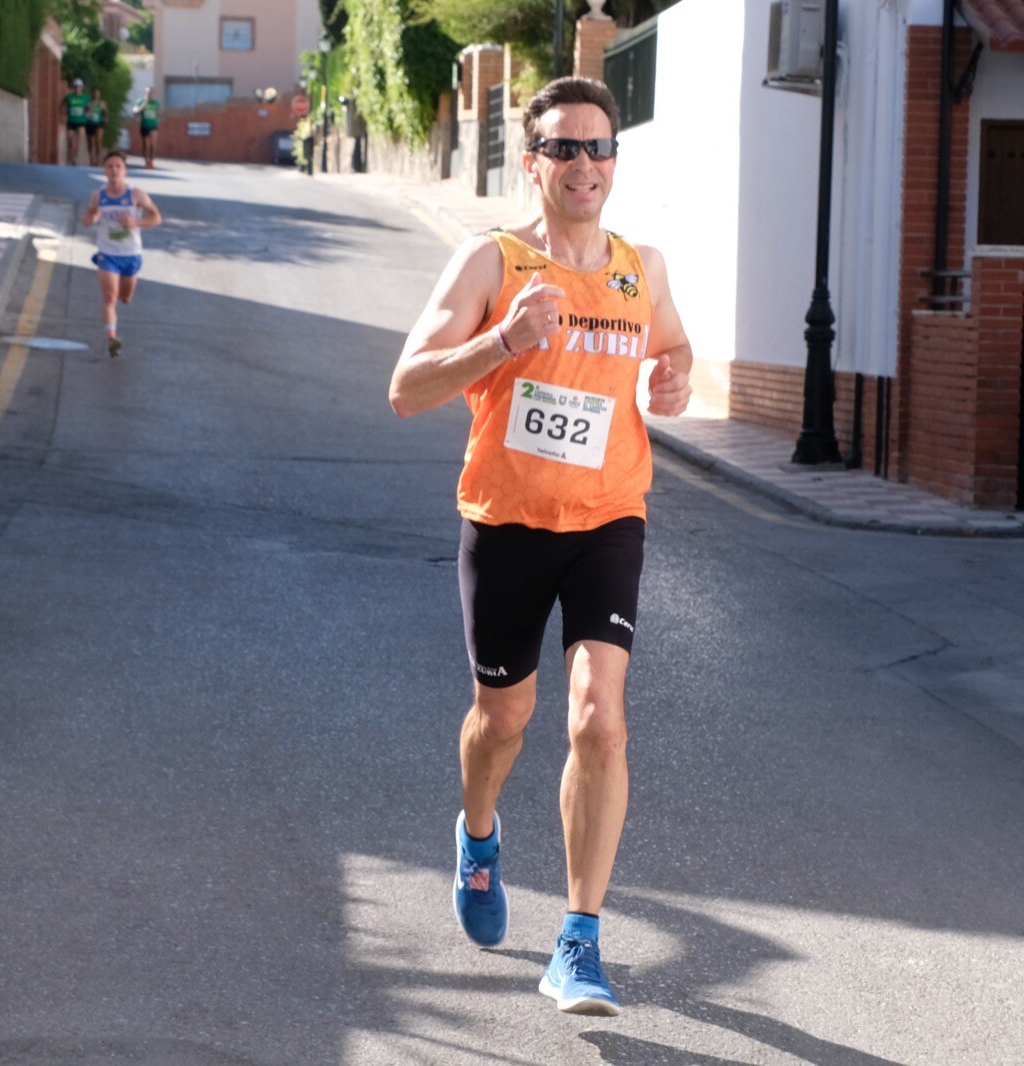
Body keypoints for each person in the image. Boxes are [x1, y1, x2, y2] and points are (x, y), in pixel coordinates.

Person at [387, 77, 693, 1017]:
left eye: (600, 148)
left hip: (608, 519)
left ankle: (579, 939)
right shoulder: (494, 262)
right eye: (564, 148)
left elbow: (673, 350)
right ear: (532, 162)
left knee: (600, 718)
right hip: (508, 524)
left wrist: (676, 376)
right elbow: (406, 386)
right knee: (504, 719)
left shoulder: (642, 267)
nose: (585, 164)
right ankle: (478, 837)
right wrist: (501, 345)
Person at [81, 149, 162, 357]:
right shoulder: (98, 195)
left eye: (118, 166)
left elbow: (156, 218)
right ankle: (112, 339)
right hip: (107, 253)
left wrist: (135, 222)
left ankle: (124, 299)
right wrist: (91, 218)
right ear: (105, 171)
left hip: (131, 254)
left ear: (125, 171)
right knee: (110, 297)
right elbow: (93, 211)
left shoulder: (136, 195)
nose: (114, 170)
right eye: (110, 166)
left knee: (125, 297)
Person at [63, 78, 90, 165]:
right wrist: (62, 116)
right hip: (71, 122)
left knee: (78, 141)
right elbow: (61, 106)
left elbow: (89, 108)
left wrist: (88, 113)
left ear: (82, 88)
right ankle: (70, 158)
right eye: (75, 87)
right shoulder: (69, 97)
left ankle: (74, 158)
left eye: (79, 87)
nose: (77, 89)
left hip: (81, 122)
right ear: (73, 88)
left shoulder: (86, 98)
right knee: (70, 141)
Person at [134, 86, 160, 168]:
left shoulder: (155, 103)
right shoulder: (140, 101)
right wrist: (144, 104)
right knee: (146, 145)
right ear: (145, 93)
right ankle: (146, 161)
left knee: (152, 144)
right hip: (144, 125)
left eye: (151, 93)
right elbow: (135, 111)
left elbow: (159, 114)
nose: (149, 94)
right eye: (148, 93)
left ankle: (151, 161)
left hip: (153, 126)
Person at [86, 88, 107, 161]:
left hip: (99, 124)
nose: (96, 95)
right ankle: (91, 158)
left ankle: (98, 159)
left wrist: (105, 118)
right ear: (92, 94)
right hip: (90, 123)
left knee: (98, 141)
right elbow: (86, 113)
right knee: (91, 143)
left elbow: (105, 113)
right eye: (95, 93)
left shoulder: (102, 103)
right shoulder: (89, 103)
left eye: (97, 93)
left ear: (99, 95)